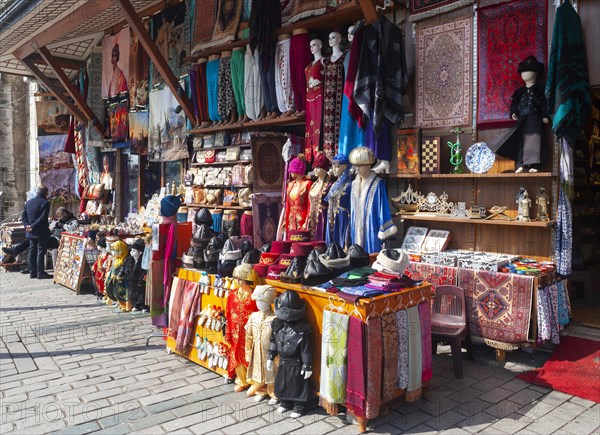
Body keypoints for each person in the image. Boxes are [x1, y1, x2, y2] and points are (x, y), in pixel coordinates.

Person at [22, 186, 51, 279]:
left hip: (30, 231)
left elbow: (24, 216)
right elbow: (42, 218)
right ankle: (40, 273)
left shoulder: (29, 202)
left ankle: (32, 272)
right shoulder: (45, 203)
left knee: (32, 251)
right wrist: (32, 226)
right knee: (40, 252)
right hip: (40, 231)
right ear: (45, 193)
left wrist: (27, 226)